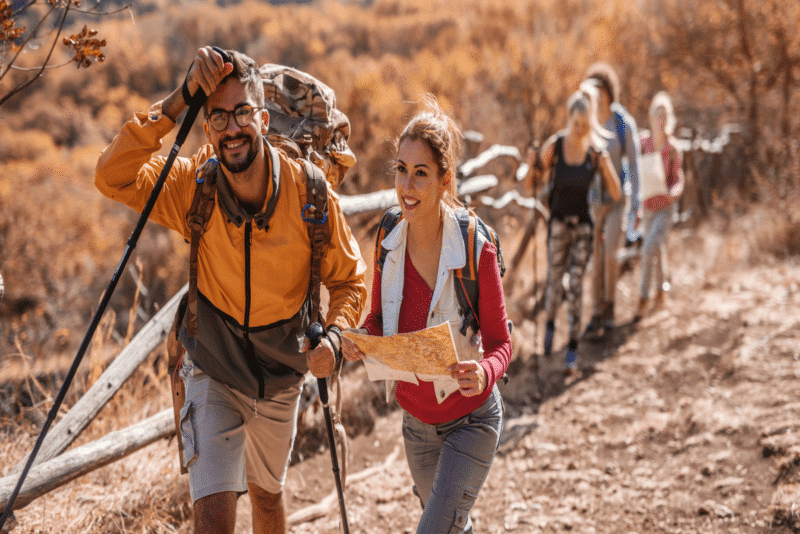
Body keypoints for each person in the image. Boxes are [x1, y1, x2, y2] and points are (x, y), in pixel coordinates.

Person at [95, 47, 367, 534]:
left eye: (242, 112)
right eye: (217, 117)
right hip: (212, 363)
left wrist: (334, 338)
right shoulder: (192, 187)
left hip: (282, 370)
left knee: (266, 499)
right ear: (206, 127)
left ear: (263, 119)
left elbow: (349, 280)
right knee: (213, 519)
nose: (231, 128)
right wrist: (178, 100)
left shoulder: (309, 195)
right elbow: (111, 174)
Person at [341, 96, 511, 533]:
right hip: (416, 426)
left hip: (472, 419)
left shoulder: (476, 248)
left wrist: (486, 372)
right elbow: (379, 321)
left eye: (421, 174)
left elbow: (501, 341)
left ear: (445, 180)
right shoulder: (389, 239)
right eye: (401, 169)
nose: (407, 187)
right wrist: (362, 340)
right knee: (453, 527)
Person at [526, 86, 621, 373]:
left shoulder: (595, 153)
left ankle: (572, 349)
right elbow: (533, 185)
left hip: (583, 228)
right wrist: (533, 167)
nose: (580, 130)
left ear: (591, 123)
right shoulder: (555, 146)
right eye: (576, 124)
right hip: (557, 225)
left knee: (577, 286)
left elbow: (615, 193)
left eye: (585, 125)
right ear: (569, 120)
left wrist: (606, 167)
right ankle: (550, 329)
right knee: (554, 285)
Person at [582, 62, 642, 337]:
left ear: (607, 91)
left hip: (618, 200)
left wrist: (636, 206)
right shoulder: (587, 121)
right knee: (595, 259)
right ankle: (595, 312)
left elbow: (636, 166)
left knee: (610, 257)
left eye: (598, 89)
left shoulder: (622, 123)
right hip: (593, 203)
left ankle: (609, 306)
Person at [634, 91, 684, 321]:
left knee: (649, 247)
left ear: (668, 118)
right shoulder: (643, 144)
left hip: (665, 208)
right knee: (657, 249)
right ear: (651, 117)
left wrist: (674, 194)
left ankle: (643, 299)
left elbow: (679, 179)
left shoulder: (673, 148)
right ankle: (662, 293)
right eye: (656, 115)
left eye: (664, 115)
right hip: (647, 206)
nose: (660, 120)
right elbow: (635, 176)